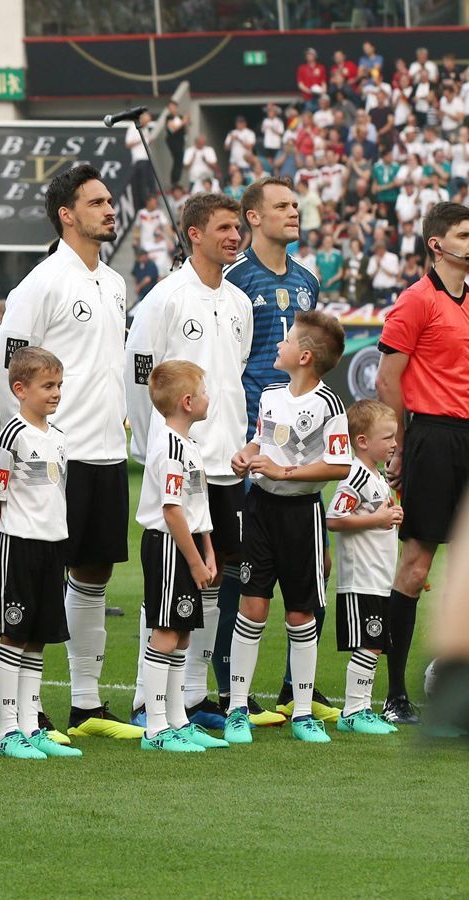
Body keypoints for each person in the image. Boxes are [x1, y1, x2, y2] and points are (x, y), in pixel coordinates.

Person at [0, 164, 139, 740]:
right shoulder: (41, 284)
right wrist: (23, 441)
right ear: (66, 214)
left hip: (105, 451)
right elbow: (10, 370)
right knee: (42, 576)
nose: (109, 209)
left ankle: (86, 703)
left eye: (109, 200)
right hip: (52, 458)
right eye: (97, 202)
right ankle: (29, 709)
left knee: (94, 574)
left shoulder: (114, 281)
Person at [126, 193, 253, 731]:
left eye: (237, 228)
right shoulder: (165, 299)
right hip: (183, 462)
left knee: (213, 580)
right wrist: (152, 448)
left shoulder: (240, 301)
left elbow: (235, 373)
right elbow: (139, 377)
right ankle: (144, 699)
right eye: (223, 227)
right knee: (169, 581)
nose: (234, 236)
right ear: (193, 233)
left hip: (228, 463)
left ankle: (192, 698)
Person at [220, 176, 324, 725]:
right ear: (253, 217)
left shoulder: (308, 280)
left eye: (295, 205)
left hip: (301, 440)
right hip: (251, 435)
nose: (294, 212)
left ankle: (297, 691)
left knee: (310, 565)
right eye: (282, 205)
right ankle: (230, 689)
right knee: (242, 562)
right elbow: (231, 359)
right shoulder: (235, 279)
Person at [224, 310, 351, 744]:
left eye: (287, 339)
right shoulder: (272, 394)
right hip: (259, 510)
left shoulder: (329, 405)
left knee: (300, 613)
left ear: (305, 356)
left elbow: (338, 464)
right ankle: (237, 708)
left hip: (301, 517)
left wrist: (285, 474)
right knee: (252, 607)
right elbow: (262, 440)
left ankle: (301, 713)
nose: (278, 344)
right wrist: (246, 453)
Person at [375, 202, 469, 726]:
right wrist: (403, 446)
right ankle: (394, 695)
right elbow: (389, 381)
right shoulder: (415, 301)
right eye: (464, 234)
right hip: (432, 438)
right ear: (437, 244)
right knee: (415, 567)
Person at [0, 348, 82, 761]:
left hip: (51, 547)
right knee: (15, 636)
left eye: (59, 385)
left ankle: (30, 724)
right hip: (17, 545)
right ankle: (7, 731)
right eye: (48, 386)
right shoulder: (11, 436)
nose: (56, 393)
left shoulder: (59, 438)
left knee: (39, 638)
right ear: (20, 389)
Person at [133, 361, 225, 753]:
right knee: (166, 631)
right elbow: (172, 511)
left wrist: (208, 550)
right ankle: (155, 726)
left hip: (186, 546)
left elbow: (196, 507)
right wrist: (192, 559)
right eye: (203, 391)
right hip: (169, 547)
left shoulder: (189, 446)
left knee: (183, 632)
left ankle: (177, 719)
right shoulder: (170, 447)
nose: (208, 398)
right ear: (187, 402)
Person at [326, 399, 404, 735]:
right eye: (387, 438)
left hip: (378, 577)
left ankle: (360, 707)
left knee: (375, 643)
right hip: (361, 578)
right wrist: (379, 518)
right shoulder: (356, 476)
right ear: (362, 441)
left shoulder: (377, 476)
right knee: (369, 643)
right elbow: (334, 517)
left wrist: (390, 517)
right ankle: (353, 710)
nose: (394, 444)